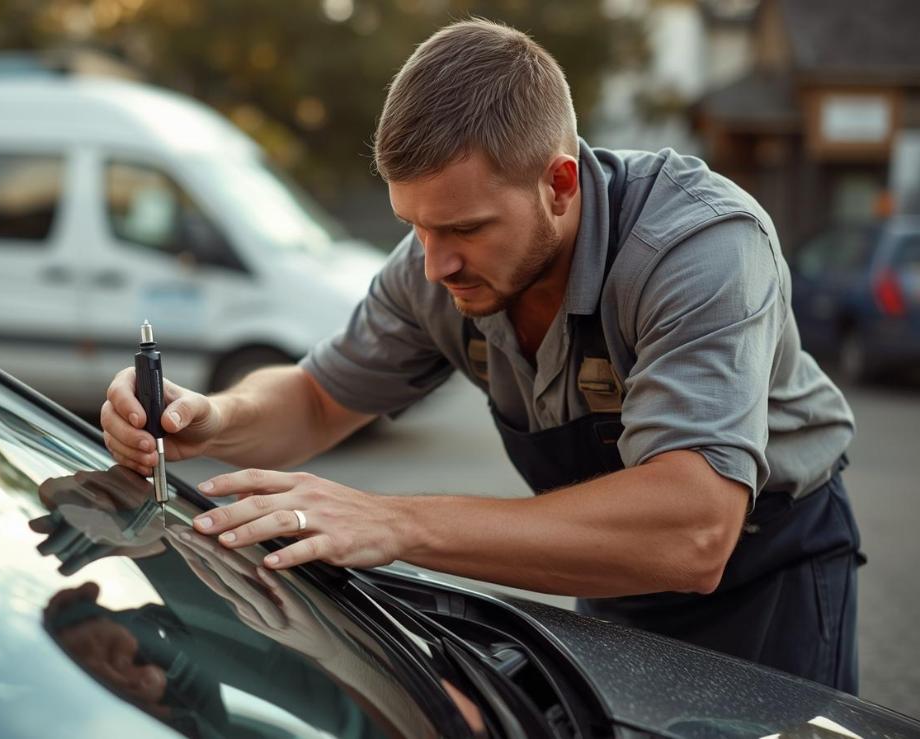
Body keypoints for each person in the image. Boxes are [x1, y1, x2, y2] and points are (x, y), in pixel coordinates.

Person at [99, 17, 862, 693]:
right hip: (612, 565)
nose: (434, 266)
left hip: (769, 573)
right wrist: (209, 416)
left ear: (559, 184)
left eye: (464, 229)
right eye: (416, 227)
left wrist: (395, 522)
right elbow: (321, 396)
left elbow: (693, 531)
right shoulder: (433, 262)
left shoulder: (700, 248)